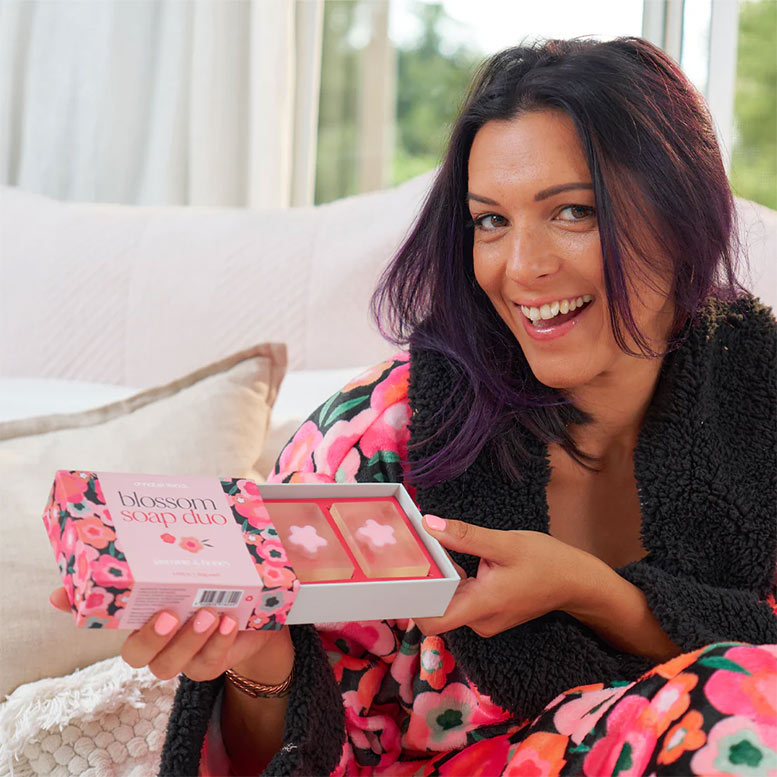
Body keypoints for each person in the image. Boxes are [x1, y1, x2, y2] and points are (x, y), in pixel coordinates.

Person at [50, 37, 777, 776]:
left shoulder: (758, 403)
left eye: (573, 211)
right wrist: (258, 668)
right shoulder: (369, 443)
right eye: (489, 220)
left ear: (682, 215)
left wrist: (590, 590)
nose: (521, 266)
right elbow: (304, 753)